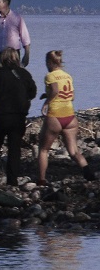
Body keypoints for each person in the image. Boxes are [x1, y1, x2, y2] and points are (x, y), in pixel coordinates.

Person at [0, 48, 37, 186]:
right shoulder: (24, 74)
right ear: (17, 58)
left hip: (1, 115)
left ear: (1, 59)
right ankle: (12, 180)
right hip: (18, 116)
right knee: (14, 149)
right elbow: (32, 92)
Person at [36, 50, 95, 184]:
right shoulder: (68, 76)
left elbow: (56, 90)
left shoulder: (50, 76)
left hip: (55, 116)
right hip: (70, 116)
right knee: (74, 151)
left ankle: (41, 180)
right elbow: (71, 96)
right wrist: (48, 94)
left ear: (50, 62)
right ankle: (88, 172)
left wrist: (46, 103)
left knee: (44, 150)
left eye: (46, 62)